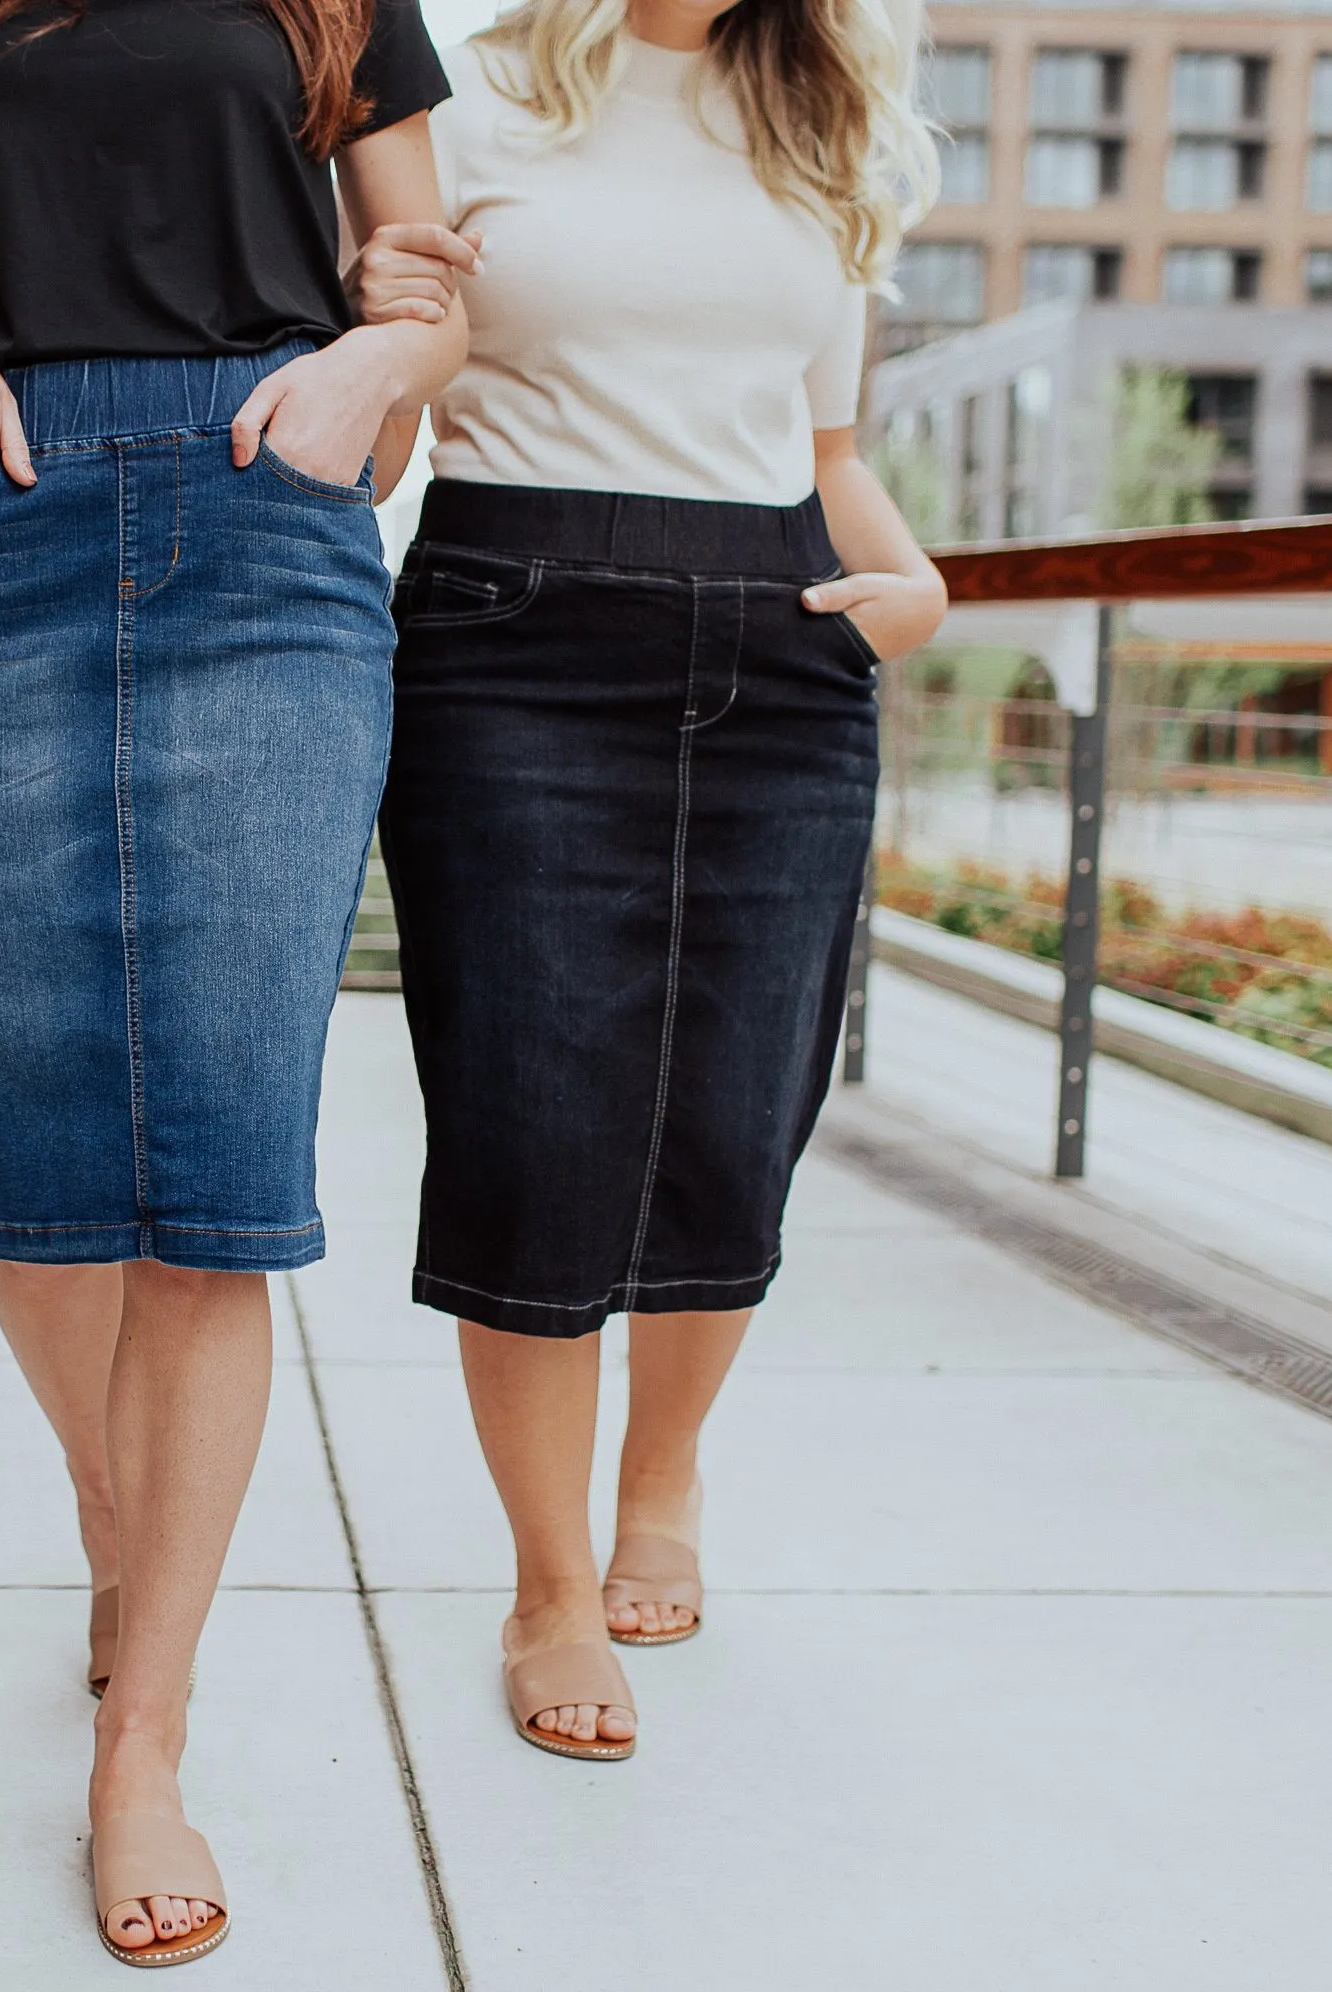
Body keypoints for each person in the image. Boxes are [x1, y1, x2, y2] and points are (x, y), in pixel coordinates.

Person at [0, 0, 466, 1960]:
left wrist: (377, 365)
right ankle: (113, 1503)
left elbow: (441, 282)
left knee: (216, 1169)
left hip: (275, 538)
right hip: (6, 537)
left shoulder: (333, 1)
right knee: (39, 1138)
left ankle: (143, 1748)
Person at [349, 0, 947, 1761]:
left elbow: (830, 459)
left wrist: (909, 592)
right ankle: (546, 1586)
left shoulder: (822, 122)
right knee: (533, 1122)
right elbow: (396, 411)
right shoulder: (462, 99)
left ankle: (661, 1479)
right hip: (516, 623)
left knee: (737, 1108)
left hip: (787, 643)